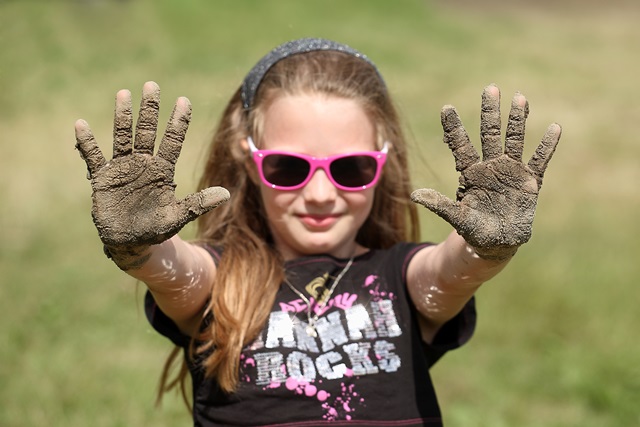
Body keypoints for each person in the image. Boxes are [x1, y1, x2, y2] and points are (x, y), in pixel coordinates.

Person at [74, 38, 561, 426]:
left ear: (382, 161)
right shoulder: (220, 279)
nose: (322, 193)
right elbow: (172, 269)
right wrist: (137, 246)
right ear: (248, 155)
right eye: (289, 167)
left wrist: (489, 246)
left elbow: (453, 271)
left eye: (350, 168)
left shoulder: (403, 279)